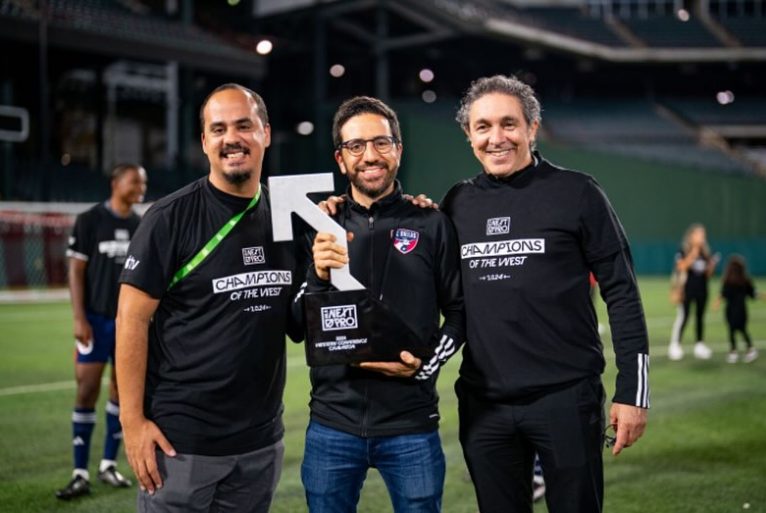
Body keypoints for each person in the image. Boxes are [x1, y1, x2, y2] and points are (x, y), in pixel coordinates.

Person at [441, 75, 650, 513]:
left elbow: (623, 292)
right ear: (468, 135)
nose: (496, 138)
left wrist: (633, 392)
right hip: (485, 406)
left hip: (566, 400)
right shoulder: (456, 203)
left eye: (508, 124)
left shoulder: (577, 192)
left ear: (532, 128)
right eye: (483, 127)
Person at [116, 83, 304, 513]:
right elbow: (131, 320)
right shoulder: (169, 218)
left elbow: (299, 321)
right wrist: (132, 422)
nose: (231, 138)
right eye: (217, 129)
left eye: (243, 125)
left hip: (260, 445)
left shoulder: (289, 220)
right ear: (204, 142)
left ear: (266, 133)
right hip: (181, 444)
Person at [295, 96, 465, 513]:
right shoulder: (320, 224)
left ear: (398, 150)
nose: (370, 156)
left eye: (381, 143)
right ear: (340, 158)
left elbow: (459, 314)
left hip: (411, 424)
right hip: (332, 424)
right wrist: (316, 275)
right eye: (356, 146)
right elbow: (297, 324)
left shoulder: (432, 222)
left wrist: (424, 364)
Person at [56, 163, 148, 500]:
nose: (141, 186)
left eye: (144, 182)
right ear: (116, 182)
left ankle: (108, 465)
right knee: (87, 389)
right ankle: (79, 472)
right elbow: (75, 272)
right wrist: (79, 318)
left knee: (121, 394)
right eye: (135, 180)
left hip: (129, 324)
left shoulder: (141, 224)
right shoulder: (90, 220)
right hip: (95, 320)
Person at [668, 223, 719, 361]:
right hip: (686, 289)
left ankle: (699, 345)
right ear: (691, 236)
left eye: (703, 235)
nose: (702, 237)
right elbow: (681, 266)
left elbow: (708, 274)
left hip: (702, 289)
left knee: (700, 316)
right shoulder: (683, 250)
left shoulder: (706, 252)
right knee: (684, 316)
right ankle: (675, 345)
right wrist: (694, 252)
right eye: (699, 234)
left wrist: (711, 265)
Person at [715, 255, 765, 363]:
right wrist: (762, 296)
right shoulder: (743, 281)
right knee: (742, 330)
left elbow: (722, 294)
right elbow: (753, 294)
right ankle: (748, 349)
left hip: (731, 310)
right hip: (741, 310)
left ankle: (735, 352)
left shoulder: (731, 281)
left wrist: (717, 302)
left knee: (733, 331)